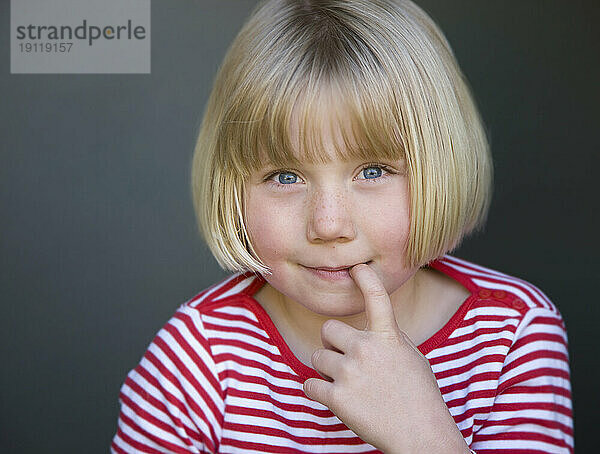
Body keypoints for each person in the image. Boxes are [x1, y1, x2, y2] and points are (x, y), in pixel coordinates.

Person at [111, 0, 573, 452]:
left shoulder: (512, 334)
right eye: (285, 177)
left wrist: (423, 438)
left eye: (372, 171)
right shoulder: (195, 358)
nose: (329, 225)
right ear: (232, 189)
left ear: (442, 169)